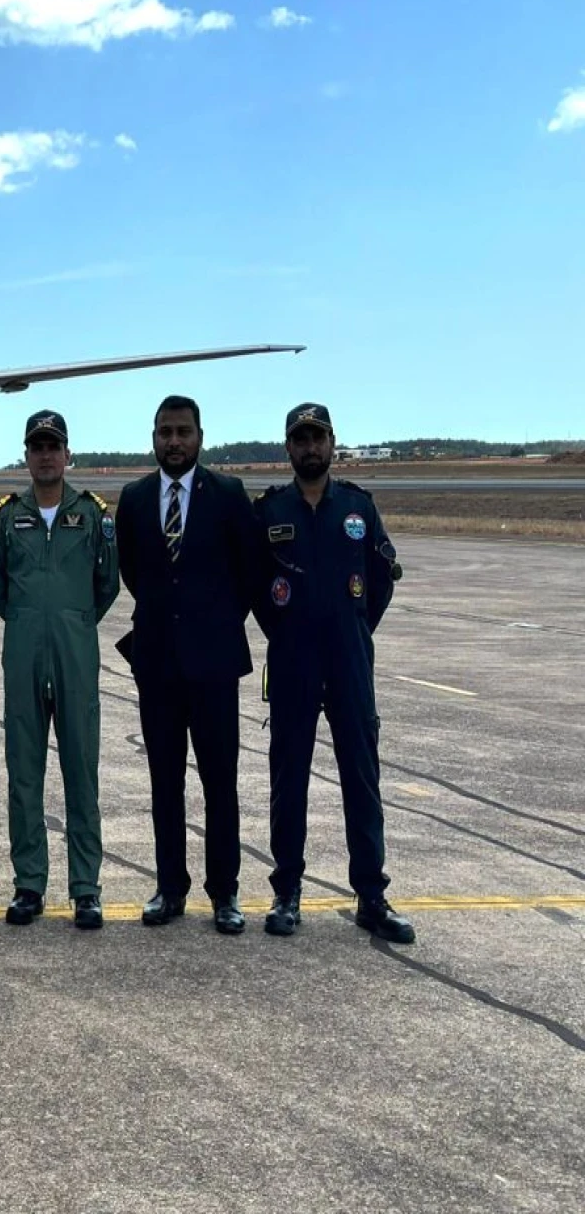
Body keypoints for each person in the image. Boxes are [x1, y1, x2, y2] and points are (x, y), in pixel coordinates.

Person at [251, 403, 414, 944]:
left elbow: (380, 580)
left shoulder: (357, 506)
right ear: (288, 448)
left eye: (317, 437)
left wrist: (355, 629)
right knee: (288, 779)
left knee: (362, 779)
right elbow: (257, 588)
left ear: (332, 443)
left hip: (348, 662)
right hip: (294, 660)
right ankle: (286, 892)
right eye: (300, 438)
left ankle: (371, 894)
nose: (310, 447)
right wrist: (287, 629)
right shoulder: (271, 510)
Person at [115, 396, 252, 934]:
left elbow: (247, 571)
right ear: (153, 437)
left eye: (183, 432)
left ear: (200, 436)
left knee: (221, 782)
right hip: (158, 666)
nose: (174, 441)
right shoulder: (134, 498)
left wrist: (210, 622)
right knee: (164, 781)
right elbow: (133, 570)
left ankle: (225, 893)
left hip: (215, 664)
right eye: (165, 432)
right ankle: (170, 887)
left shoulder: (229, 495)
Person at [0, 411, 121, 930]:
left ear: (67, 454)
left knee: (81, 770)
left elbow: (107, 583)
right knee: (23, 770)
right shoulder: (5, 517)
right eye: (36, 446)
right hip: (23, 651)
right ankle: (29, 885)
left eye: (53, 446)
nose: (45, 455)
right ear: (27, 455)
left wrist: (74, 620)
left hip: (75, 651)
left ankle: (86, 888)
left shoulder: (92, 514)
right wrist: (26, 620)